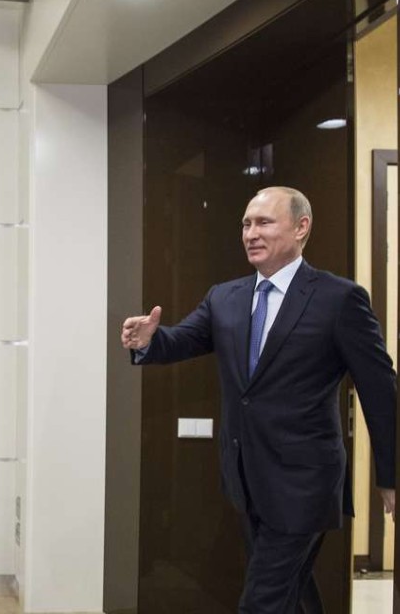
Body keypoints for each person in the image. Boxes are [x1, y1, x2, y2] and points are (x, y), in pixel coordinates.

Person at [122, 186, 396, 614]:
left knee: (262, 601)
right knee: (294, 593)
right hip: (246, 479)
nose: (251, 233)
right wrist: (151, 341)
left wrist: (390, 474)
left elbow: (381, 391)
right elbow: (183, 339)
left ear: (301, 227)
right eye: (246, 224)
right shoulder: (225, 297)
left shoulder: (339, 300)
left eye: (264, 222)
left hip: (306, 481)